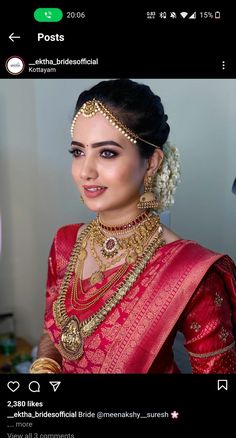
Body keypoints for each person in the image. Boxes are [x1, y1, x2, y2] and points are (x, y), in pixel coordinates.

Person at [30, 78, 236, 374]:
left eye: (107, 153)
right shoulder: (66, 243)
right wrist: (44, 366)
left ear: (151, 162)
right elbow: (53, 327)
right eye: (77, 151)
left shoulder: (191, 272)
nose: (85, 171)